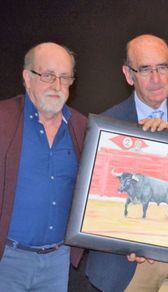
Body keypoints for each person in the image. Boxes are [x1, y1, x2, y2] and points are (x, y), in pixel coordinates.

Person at [86, 34, 168, 292]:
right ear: (128, 74)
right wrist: (127, 243)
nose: (156, 79)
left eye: (162, 67)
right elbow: (99, 201)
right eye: (145, 69)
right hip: (126, 266)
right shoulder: (108, 124)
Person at [0, 43, 87, 291]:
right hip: (7, 261)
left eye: (64, 77)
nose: (57, 86)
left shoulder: (82, 128)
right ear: (27, 78)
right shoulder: (2, 119)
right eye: (47, 75)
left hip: (57, 262)